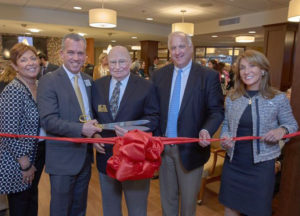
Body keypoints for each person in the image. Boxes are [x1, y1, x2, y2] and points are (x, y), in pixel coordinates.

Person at [152, 31, 224, 216]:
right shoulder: (159, 75)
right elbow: (153, 110)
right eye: (173, 47)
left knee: (188, 203)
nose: (177, 51)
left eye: (181, 46)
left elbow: (216, 111)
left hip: (191, 149)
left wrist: (206, 129)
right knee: (168, 200)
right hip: (163, 148)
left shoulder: (207, 76)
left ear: (191, 48)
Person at [219, 50, 298, 216]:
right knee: (229, 209)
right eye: (242, 68)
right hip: (233, 165)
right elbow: (226, 125)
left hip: (261, 169)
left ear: (263, 70)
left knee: (258, 211)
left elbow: (292, 125)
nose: (247, 71)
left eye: (252, 65)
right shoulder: (232, 97)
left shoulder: (278, 98)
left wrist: (281, 130)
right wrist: (225, 138)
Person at [37, 33, 102, 216]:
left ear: (86, 57)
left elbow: (91, 116)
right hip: (62, 159)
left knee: (79, 208)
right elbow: (48, 121)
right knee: (60, 209)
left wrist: (95, 134)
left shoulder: (89, 80)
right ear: (61, 54)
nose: (76, 58)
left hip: (85, 158)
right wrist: (81, 129)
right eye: (71, 52)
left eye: (80, 53)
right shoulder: (48, 81)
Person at [91, 46, 160, 216]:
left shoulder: (146, 86)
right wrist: (94, 134)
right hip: (106, 156)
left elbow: (154, 118)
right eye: (113, 62)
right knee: (110, 209)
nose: (117, 66)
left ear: (130, 62)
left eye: (122, 61)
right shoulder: (97, 86)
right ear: (107, 63)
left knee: (137, 210)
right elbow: (92, 117)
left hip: (135, 158)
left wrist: (132, 133)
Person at [0, 43, 44, 216]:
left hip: (37, 152)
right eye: (23, 60)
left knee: (31, 199)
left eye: (33, 58)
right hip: (18, 159)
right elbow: (8, 133)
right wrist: (25, 164)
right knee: (20, 204)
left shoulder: (39, 86)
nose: (30, 63)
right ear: (14, 66)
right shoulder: (13, 91)